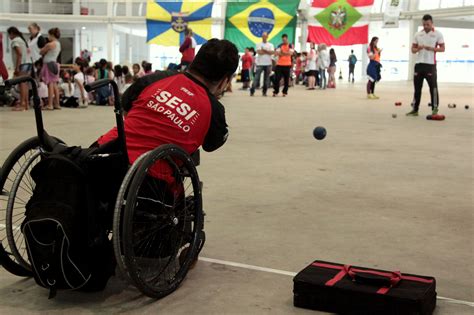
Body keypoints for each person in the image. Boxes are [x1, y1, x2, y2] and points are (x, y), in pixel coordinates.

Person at [97, 38, 238, 181]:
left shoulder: (156, 78)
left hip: (103, 152)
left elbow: (126, 109)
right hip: (148, 179)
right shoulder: (214, 109)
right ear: (225, 81)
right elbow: (211, 144)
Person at [406, 14, 445, 117]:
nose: (426, 26)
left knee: (433, 88)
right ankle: (415, 109)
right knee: (417, 88)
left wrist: (432, 49)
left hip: (430, 65)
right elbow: (413, 50)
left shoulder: (437, 34)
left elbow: (442, 48)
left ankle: (435, 109)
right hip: (419, 65)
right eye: (424, 24)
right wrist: (419, 48)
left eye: (427, 24)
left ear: (432, 23)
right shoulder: (418, 34)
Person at [7, 27, 32, 111]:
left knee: (22, 85)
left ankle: (22, 104)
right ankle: (26, 104)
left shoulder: (15, 41)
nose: (9, 36)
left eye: (9, 34)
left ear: (12, 33)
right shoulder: (22, 40)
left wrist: (17, 67)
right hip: (28, 63)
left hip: (22, 64)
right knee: (25, 84)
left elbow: (19, 54)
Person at [40, 27, 62, 110]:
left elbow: (41, 51)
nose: (48, 37)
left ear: (52, 35)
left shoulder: (51, 44)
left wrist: (43, 48)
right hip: (55, 64)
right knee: (55, 84)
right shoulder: (58, 43)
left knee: (50, 85)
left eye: (49, 35)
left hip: (49, 64)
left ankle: (50, 104)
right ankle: (57, 104)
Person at [250, 32, 274, 97]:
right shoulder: (258, 44)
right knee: (256, 78)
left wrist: (264, 50)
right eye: (263, 36)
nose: (264, 37)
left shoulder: (270, 45)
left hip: (268, 64)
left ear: (267, 37)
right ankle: (252, 90)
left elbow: (272, 52)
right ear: (262, 37)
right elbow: (259, 52)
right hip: (260, 63)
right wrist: (267, 52)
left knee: (266, 79)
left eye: (265, 36)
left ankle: (264, 92)